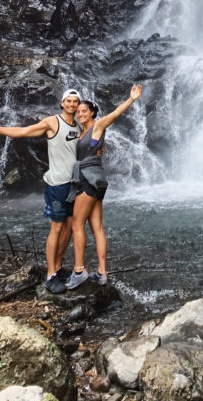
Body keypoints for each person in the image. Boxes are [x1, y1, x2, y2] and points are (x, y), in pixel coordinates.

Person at [0, 88, 82, 294]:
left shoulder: (80, 124)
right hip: (57, 185)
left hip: (75, 184)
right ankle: (51, 275)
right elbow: (24, 131)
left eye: (75, 101)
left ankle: (59, 267)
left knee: (71, 227)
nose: (72, 104)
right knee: (57, 227)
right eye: (69, 101)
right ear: (62, 103)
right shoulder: (52, 122)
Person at [65, 84, 143, 290]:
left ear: (92, 113)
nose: (80, 113)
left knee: (76, 224)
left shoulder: (97, 126)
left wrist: (132, 98)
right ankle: (101, 272)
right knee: (97, 227)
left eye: (84, 111)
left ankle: (79, 271)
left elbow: (115, 113)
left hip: (88, 179)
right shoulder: (81, 132)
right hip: (97, 179)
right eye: (78, 111)